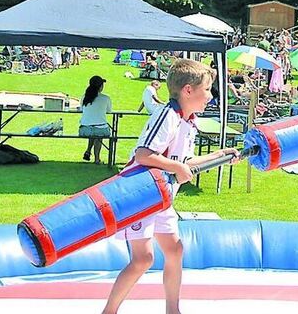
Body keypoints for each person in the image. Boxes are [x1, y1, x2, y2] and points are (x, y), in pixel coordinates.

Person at [102, 59, 239, 314]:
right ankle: (109, 312)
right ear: (188, 90)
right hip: (141, 195)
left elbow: (184, 162)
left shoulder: (188, 121)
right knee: (143, 259)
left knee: (174, 250)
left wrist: (221, 154)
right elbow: (144, 155)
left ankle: (173, 310)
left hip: (161, 197)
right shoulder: (168, 116)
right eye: (207, 89)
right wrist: (177, 169)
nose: (210, 96)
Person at [79, 76, 112, 164]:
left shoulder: (84, 97)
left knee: (93, 131)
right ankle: (97, 158)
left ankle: (88, 151)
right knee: (98, 133)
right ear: (100, 86)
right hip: (100, 129)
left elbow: (81, 108)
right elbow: (109, 111)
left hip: (85, 129)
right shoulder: (106, 98)